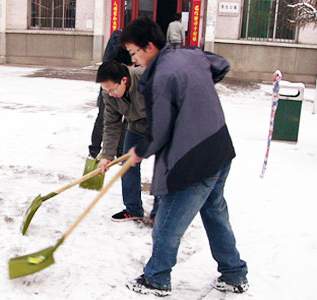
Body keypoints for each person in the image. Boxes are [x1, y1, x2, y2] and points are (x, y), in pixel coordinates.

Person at [119, 16, 248, 297]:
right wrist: (195, 89)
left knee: (166, 225)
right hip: (219, 148)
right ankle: (234, 273)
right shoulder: (189, 55)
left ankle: (156, 280)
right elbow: (221, 65)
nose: (134, 60)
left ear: (149, 46)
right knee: (214, 213)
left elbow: (160, 130)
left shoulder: (162, 76)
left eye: (134, 53)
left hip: (195, 160)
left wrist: (139, 152)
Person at [95, 61, 153, 222]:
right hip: (136, 126)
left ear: (124, 80)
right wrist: (106, 156)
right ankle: (133, 209)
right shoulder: (108, 94)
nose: (110, 93)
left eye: (113, 89)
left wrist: (148, 145)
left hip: (162, 126)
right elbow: (111, 124)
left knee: (163, 169)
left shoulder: (147, 79)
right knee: (128, 165)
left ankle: (159, 213)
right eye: (106, 90)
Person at [88, 29, 132, 159]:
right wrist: (107, 156)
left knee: (125, 119)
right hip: (114, 82)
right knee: (107, 118)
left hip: (120, 84)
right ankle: (99, 150)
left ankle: (118, 151)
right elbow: (112, 125)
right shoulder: (121, 49)